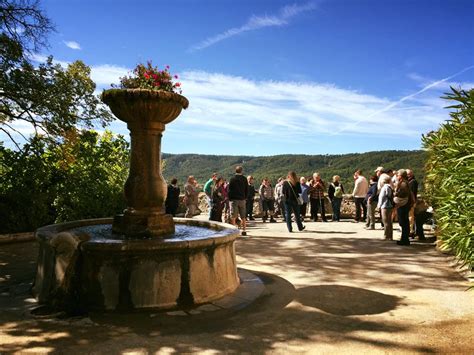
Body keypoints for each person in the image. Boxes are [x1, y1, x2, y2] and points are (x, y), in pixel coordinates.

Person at [394, 169, 414, 246]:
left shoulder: (403, 184)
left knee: (403, 222)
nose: (397, 176)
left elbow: (402, 194)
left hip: (403, 204)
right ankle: (404, 239)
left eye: (398, 175)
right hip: (406, 204)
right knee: (404, 222)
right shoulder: (405, 183)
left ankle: (405, 240)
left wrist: (395, 194)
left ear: (401, 176)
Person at [228, 166, 248, 236]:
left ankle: (233, 231)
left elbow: (229, 190)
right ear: (241, 171)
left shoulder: (232, 179)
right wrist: (245, 197)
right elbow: (246, 189)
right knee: (243, 216)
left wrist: (230, 198)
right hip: (242, 199)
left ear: (235, 171)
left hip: (234, 199)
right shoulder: (244, 179)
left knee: (233, 216)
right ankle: (244, 230)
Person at [377, 175, 394, 240]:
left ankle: (386, 235)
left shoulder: (384, 188)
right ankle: (390, 236)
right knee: (389, 221)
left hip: (385, 206)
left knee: (385, 221)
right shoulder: (391, 188)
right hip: (390, 206)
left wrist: (379, 206)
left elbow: (381, 197)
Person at [407, 169, 418, 237]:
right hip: (410, 201)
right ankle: (410, 230)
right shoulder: (410, 181)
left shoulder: (413, 182)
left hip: (411, 202)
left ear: (411, 174)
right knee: (410, 217)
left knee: (411, 217)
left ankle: (411, 231)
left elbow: (412, 193)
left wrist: (412, 202)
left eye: (408, 174)